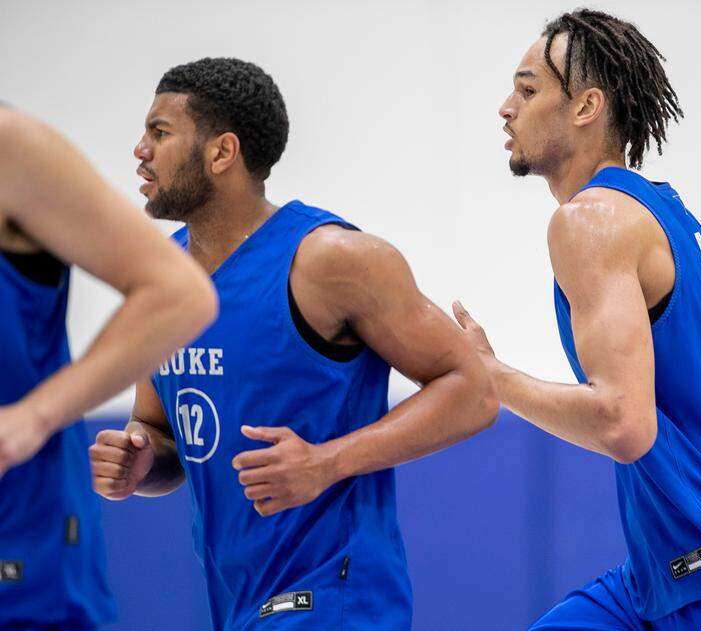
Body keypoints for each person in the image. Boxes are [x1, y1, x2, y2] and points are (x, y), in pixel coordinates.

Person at [454, 10, 701, 629]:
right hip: (665, 573)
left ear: (586, 107)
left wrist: (491, 375)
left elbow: (621, 423)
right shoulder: (665, 219)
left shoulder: (589, 222)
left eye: (527, 90)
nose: (506, 107)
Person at [87, 58, 498, 630]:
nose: (139, 149)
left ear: (222, 152)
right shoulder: (158, 281)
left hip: (333, 597)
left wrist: (325, 463)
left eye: (159, 133)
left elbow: (474, 391)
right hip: (238, 603)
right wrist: (137, 462)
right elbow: (160, 436)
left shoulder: (331, 260)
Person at [0, 106, 217, 628]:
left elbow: (180, 295)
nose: (140, 150)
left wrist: (32, 418)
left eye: (158, 134)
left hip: (23, 554)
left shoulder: (12, 148)